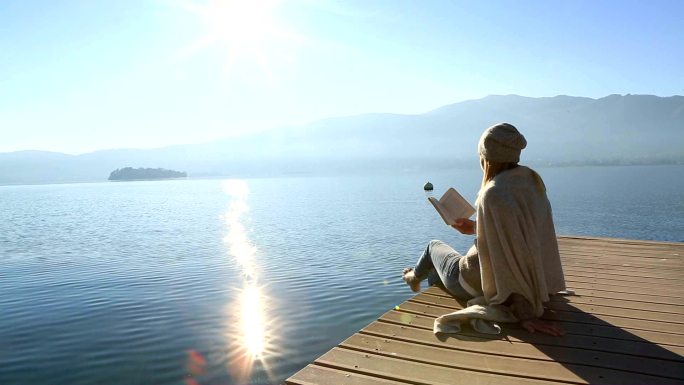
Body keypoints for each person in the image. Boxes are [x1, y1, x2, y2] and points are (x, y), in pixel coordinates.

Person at [402, 122, 566, 336]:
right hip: (520, 282)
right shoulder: (531, 182)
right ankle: (423, 278)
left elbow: (506, 261)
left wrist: (525, 314)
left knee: (433, 246)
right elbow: (518, 237)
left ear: (486, 157)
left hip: (475, 280)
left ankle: (413, 277)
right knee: (435, 273)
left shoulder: (493, 193)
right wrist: (475, 227)